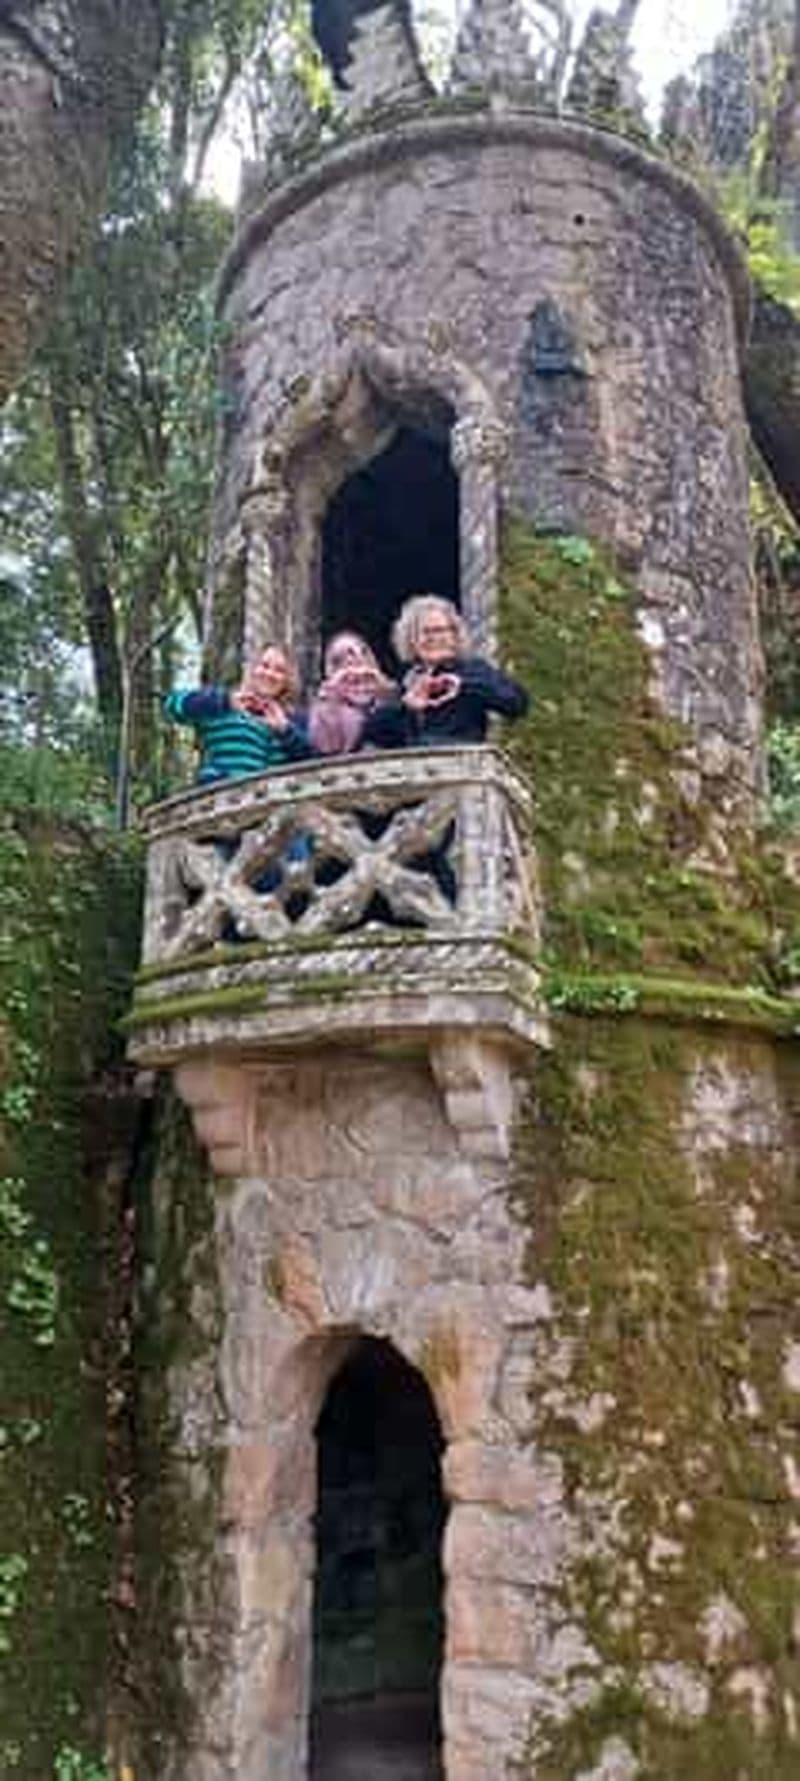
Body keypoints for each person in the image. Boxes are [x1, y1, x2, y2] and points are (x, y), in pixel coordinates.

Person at [360, 594, 528, 749]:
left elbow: (516, 702)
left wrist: (461, 685)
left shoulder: (472, 669)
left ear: (454, 636)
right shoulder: (408, 681)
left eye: (440, 630)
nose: (434, 638)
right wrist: (406, 705)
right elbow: (372, 733)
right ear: (412, 640)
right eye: (425, 632)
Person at [164, 645, 313, 784]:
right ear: (253, 669)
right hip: (221, 798)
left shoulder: (294, 720)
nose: (269, 674)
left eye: (279, 670)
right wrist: (225, 701)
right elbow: (173, 705)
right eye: (264, 665)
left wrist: (285, 730)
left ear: (288, 680)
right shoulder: (222, 706)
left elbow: (313, 760)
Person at [308, 630, 395, 755]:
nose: (353, 659)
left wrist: (384, 689)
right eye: (341, 657)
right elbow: (325, 746)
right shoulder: (326, 702)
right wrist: (332, 693)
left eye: (361, 652)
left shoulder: (386, 691)